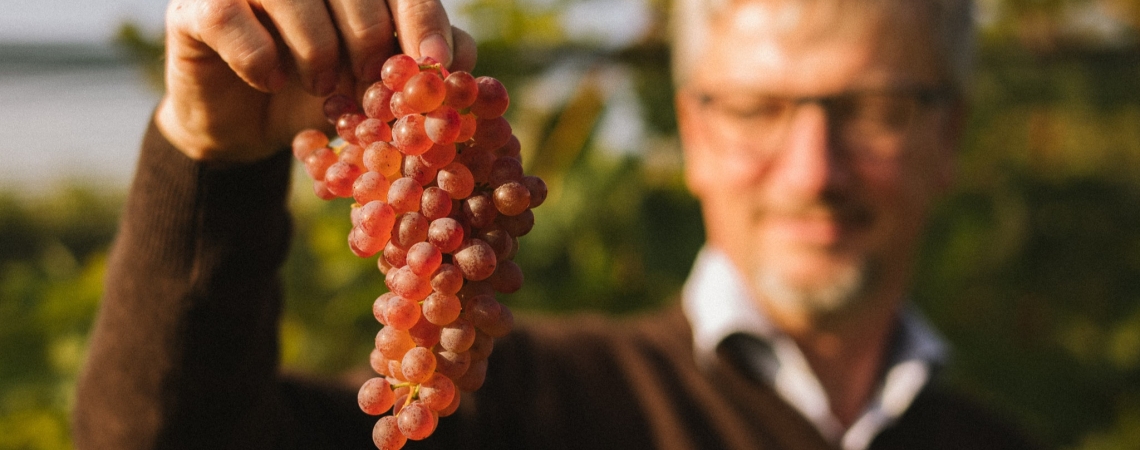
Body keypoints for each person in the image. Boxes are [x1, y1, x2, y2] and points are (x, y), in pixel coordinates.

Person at [72, 0, 1041, 448]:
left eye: (875, 110)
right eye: (757, 108)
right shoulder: (518, 407)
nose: (813, 170)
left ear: (948, 136)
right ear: (694, 130)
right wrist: (215, 161)